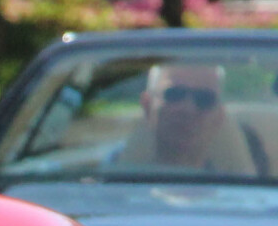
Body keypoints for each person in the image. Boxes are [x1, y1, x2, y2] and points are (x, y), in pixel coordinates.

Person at [113, 64, 268, 175]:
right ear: (147, 106)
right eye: (174, 94)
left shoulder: (248, 195)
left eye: (204, 99)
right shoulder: (104, 179)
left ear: (219, 118)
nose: (188, 109)